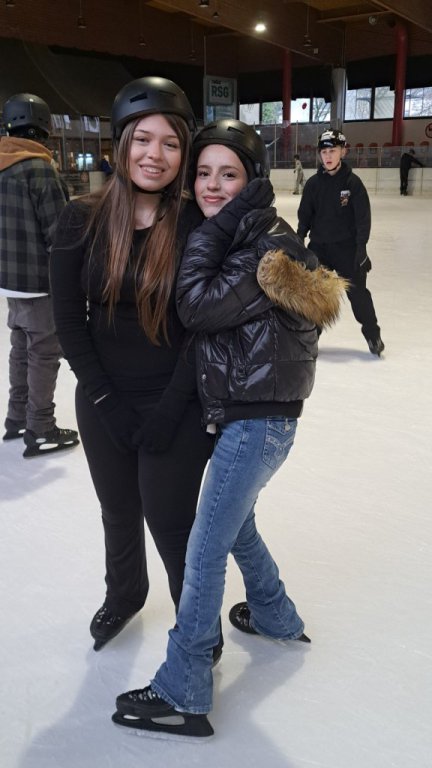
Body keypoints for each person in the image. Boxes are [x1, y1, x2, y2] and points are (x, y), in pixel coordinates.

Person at [112, 119, 346, 739]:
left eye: (229, 175)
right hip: (257, 416)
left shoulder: (262, 248)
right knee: (235, 524)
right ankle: (274, 612)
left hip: (257, 421)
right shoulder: (252, 233)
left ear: (253, 181)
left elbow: (195, 306)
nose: (212, 186)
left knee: (204, 548)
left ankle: (184, 688)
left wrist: (213, 228)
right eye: (204, 173)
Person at [49, 77, 216, 653]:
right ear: (122, 145)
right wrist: (104, 400)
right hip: (103, 397)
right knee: (118, 510)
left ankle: (197, 625)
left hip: (176, 399)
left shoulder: (197, 224)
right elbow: (68, 319)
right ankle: (124, 594)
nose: (155, 155)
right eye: (143, 139)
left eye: (170, 143)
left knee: (171, 522)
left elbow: (202, 328)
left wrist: (170, 410)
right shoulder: (81, 218)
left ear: (184, 153)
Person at [0, 92, 79, 457]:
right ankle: (41, 426)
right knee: (44, 351)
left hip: (8, 280)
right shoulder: (39, 169)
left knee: (21, 347)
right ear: (44, 128)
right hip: (37, 280)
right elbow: (60, 235)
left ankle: (17, 417)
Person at [297, 128, 385, 356]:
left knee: (358, 294)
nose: (328, 156)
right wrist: (299, 240)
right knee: (315, 296)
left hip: (347, 250)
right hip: (319, 248)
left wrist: (361, 249)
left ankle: (373, 335)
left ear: (343, 152)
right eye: (324, 152)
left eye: (333, 151)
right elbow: (305, 216)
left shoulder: (353, 184)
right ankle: (310, 339)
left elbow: (363, 219)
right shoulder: (313, 184)